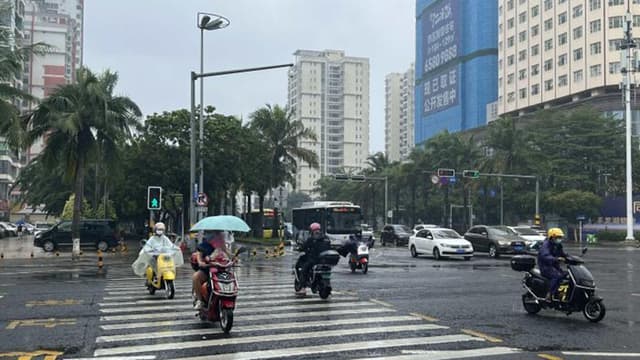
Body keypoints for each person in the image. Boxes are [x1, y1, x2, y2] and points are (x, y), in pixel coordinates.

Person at [192, 231, 230, 310]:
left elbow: (227, 253)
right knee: (196, 277)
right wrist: (200, 262)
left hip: (220, 269)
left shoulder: (221, 243)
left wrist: (234, 258)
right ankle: (200, 300)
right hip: (208, 269)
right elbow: (199, 253)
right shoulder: (205, 243)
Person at [295, 222, 330, 295]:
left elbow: (304, 247)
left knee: (304, 269)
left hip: (314, 260)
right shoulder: (326, 238)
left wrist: (300, 248)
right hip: (324, 260)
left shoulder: (311, 239)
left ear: (311, 230)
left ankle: (303, 288)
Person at [538, 227, 569, 302]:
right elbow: (545, 256)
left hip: (554, 266)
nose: (559, 239)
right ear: (552, 237)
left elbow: (563, 254)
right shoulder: (546, 245)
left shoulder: (558, 245)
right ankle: (549, 294)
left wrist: (572, 258)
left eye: (560, 237)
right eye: (558, 237)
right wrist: (556, 259)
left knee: (567, 275)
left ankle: (561, 295)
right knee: (557, 276)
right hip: (546, 267)